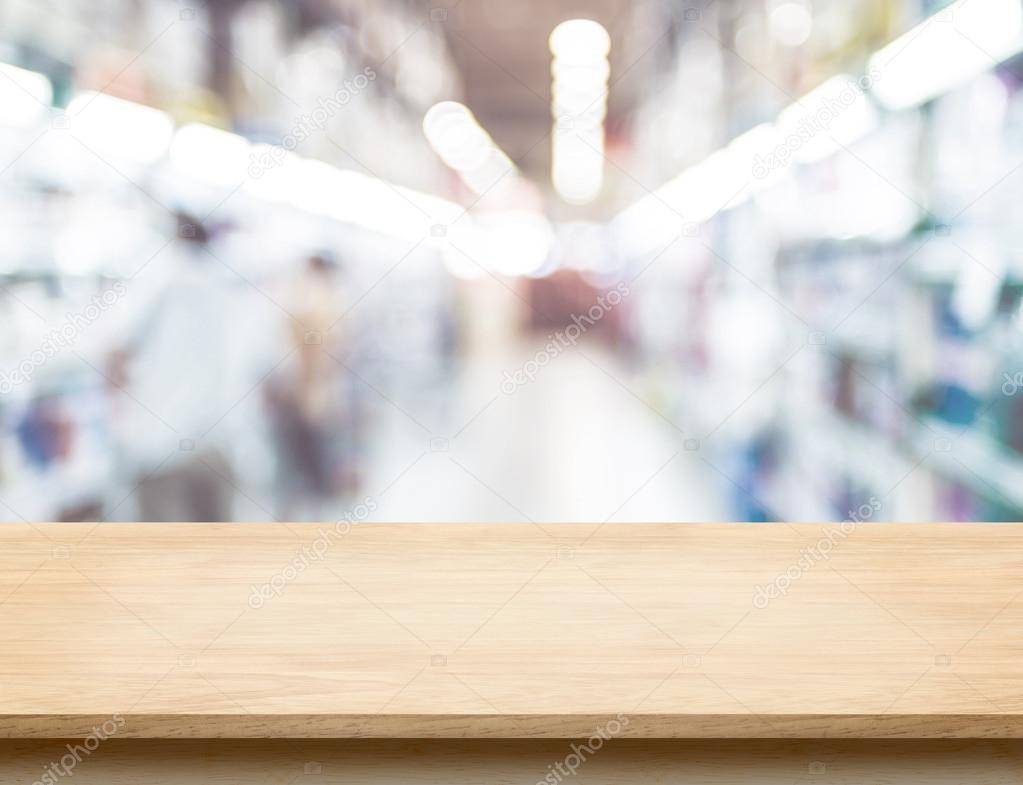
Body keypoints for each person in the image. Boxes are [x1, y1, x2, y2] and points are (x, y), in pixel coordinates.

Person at [108, 212, 251, 521]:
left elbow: (117, 346)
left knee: (168, 556)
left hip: (160, 446)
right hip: (216, 443)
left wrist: (120, 408)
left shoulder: (156, 278)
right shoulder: (224, 285)